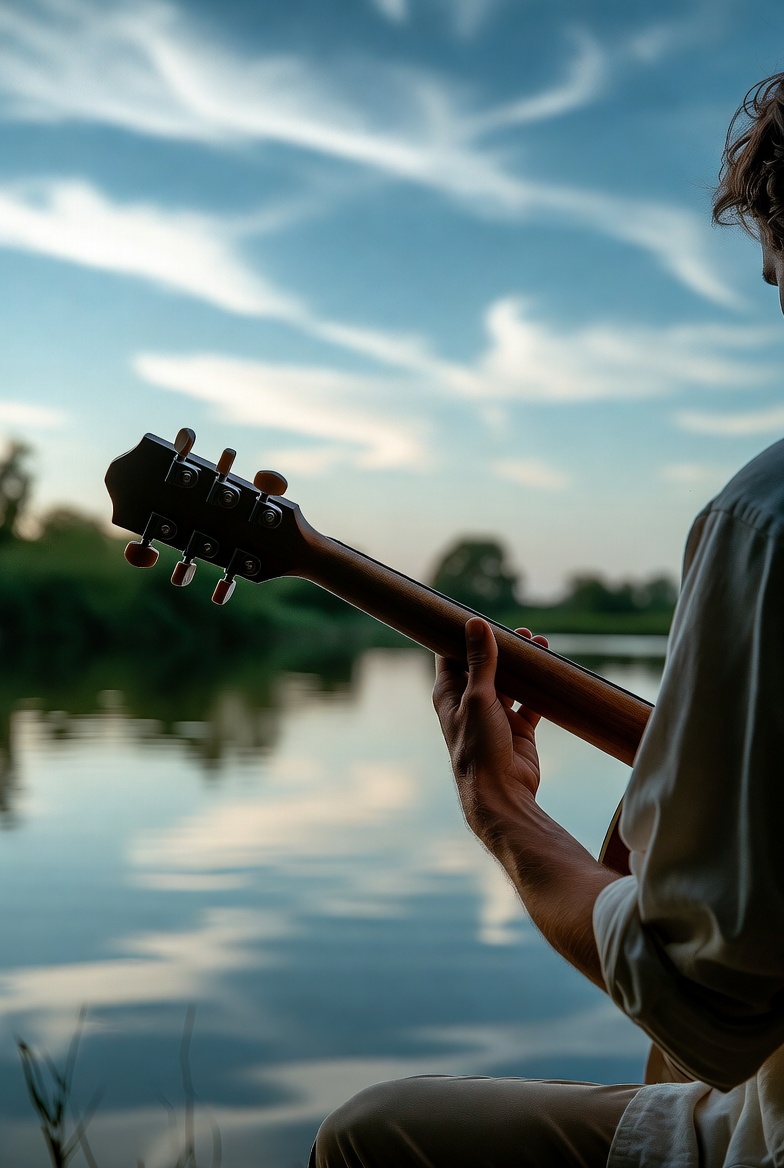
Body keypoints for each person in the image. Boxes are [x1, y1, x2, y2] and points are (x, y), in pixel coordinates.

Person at [309, 72, 784, 1168]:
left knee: (373, 1137)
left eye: (777, 275)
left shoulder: (763, 519)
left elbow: (709, 1009)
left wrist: (502, 806)